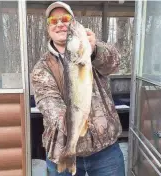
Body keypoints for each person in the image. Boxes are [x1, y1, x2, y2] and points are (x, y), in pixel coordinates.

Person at [31, 1, 125, 176]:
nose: (59, 24)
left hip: (105, 150)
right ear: (48, 28)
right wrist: (75, 126)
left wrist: (95, 49)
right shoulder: (42, 68)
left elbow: (114, 63)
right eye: (53, 21)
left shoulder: (91, 53)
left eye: (65, 19)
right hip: (62, 149)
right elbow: (48, 103)